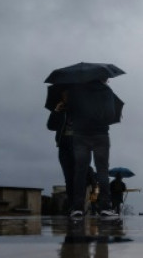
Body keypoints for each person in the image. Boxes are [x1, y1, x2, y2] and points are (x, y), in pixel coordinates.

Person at [66, 79, 121, 218]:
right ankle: (105, 207)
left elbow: (70, 113)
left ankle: (77, 208)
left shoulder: (76, 91)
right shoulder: (105, 91)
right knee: (102, 170)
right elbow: (110, 114)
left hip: (80, 135)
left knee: (80, 171)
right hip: (100, 134)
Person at [46, 92, 75, 214]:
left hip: (78, 146)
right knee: (68, 178)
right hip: (63, 146)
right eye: (64, 95)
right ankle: (73, 206)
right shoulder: (60, 111)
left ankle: (77, 205)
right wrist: (56, 111)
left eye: (68, 94)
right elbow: (50, 126)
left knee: (78, 176)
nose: (66, 97)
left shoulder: (80, 109)